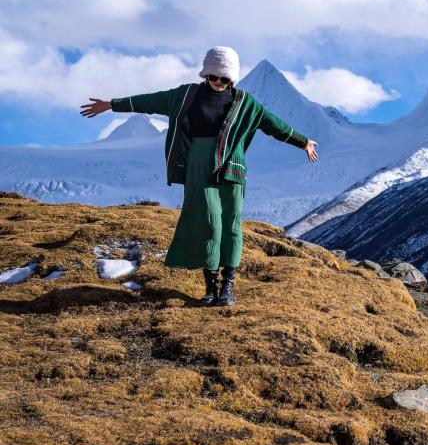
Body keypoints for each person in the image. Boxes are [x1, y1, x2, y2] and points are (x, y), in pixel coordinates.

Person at [79, 46, 319, 307]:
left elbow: (273, 124)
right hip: (198, 167)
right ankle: (210, 286)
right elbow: (151, 101)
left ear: (232, 79)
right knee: (210, 224)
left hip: (232, 168)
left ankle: (227, 288)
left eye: (224, 79)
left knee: (231, 226)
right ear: (205, 73)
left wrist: (303, 142)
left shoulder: (245, 102)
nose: (218, 82)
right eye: (213, 77)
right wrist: (111, 105)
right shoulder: (185, 95)